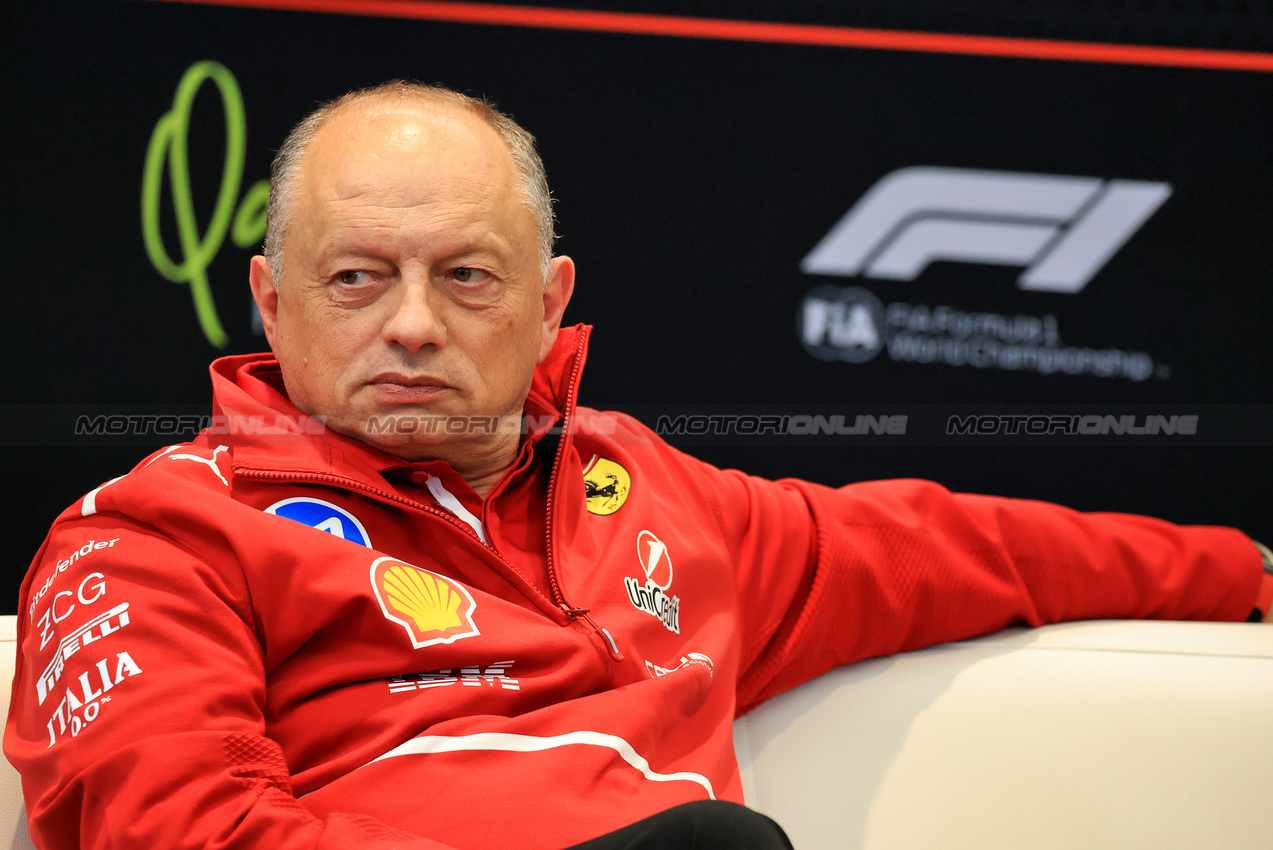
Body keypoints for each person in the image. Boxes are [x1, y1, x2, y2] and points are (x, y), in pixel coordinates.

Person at [6, 81, 1271, 850]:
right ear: (271, 306)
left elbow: (957, 549)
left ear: (548, 304)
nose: (410, 323)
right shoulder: (151, 537)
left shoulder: (654, 498)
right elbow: (176, 832)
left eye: (464, 277)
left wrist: (1247, 569)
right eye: (356, 278)